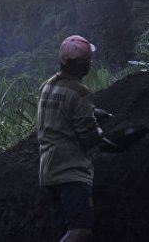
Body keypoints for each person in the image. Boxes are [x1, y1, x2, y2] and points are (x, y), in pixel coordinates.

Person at [37, 35, 120, 242]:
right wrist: (106, 138)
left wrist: (93, 112)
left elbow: (62, 113)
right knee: (80, 231)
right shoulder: (80, 91)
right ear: (84, 65)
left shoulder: (47, 86)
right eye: (89, 61)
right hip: (71, 172)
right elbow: (89, 138)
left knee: (63, 231)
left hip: (48, 171)